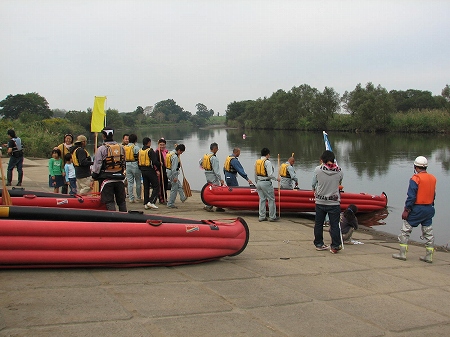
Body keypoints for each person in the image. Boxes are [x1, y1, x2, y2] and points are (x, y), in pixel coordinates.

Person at [392, 156, 436, 263]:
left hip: (417, 208)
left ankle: (402, 254)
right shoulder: (433, 178)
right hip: (429, 209)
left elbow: (411, 196)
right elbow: (433, 195)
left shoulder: (415, 179)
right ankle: (429, 256)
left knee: (405, 231)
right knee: (428, 233)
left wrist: (407, 209)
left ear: (416, 167)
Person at [312, 150, 344, 254]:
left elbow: (314, 183)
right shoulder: (340, 171)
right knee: (334, 225)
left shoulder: (318, 170)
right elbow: (340, 182)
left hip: (320, 201)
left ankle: (319, 243)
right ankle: (335, 246)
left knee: (319, 224)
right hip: (333, 202)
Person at [91, 126, 127, 212]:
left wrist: (94, 177)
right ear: (113, 135)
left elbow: (97, 165)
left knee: (109, 201)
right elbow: (124, 162)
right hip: (119, 178)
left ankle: (113, 220)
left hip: (106, 180)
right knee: (121, 202)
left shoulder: (101, 149)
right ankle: (125, 219)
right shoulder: (121, 147)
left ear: (103, 136)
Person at [255, 147, 280, 222]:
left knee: (262, 199)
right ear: (268, 155)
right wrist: (276, 179)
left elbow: (255, 174)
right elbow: (270, 174)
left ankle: (262, 216)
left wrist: (257, 182)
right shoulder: (267, 162)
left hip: (259, 182)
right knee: (271, 199)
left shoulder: (257, 162)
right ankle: (272, 216)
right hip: (266, 182)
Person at [199, 142, 225, 212]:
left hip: (207, 174)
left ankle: (214, 205)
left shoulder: (206, 156)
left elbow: (200, 162)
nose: (218, 150)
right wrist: (221, 179)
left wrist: (204, 167)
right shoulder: (214, 158)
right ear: (215, 149)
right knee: (216, 190)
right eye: (217, 148)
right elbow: (216, 171)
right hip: (213, 175)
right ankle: (211, 206)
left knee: (210, 189)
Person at [138, 137, 160, 210]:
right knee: (156, 186)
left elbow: (138, 162)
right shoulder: (150, 150)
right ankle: (151, 201)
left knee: (146, 187)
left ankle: (146, 203)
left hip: (143, 170)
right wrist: (160, 164)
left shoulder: (140, 150)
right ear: (148, 143)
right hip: (149, 170)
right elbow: (154, 161)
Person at [166, 144, 187, 209]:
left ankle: (182, 197)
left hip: (167, 171)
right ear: (178, 150)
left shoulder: (170, 153)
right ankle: (170, 203)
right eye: (181, 152)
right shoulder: (175, 157)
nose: (181, 153)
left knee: (178, 185)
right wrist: (175, 176)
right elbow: (174, 168)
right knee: (174, 189)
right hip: (172, 173)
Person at [124, 133, 142, 203]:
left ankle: (131, 198)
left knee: (130, 182)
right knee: (138, 181)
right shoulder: (136, 148)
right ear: (135, 140)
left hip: (127, 164)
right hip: (135, 165)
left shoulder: (125, 147)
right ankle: (138, 197)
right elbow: (139, 157)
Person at [155, 138, 169, 204]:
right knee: (161, 184)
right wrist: (156, 170)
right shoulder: (156, 152)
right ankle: (161, 199)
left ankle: (165, 198)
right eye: (161, 145)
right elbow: (154, 162)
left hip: (165, 170)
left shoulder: (166, 152)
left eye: (163, 145)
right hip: (159, 170)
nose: (162, 146)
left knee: (165, 184)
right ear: (158, 145)